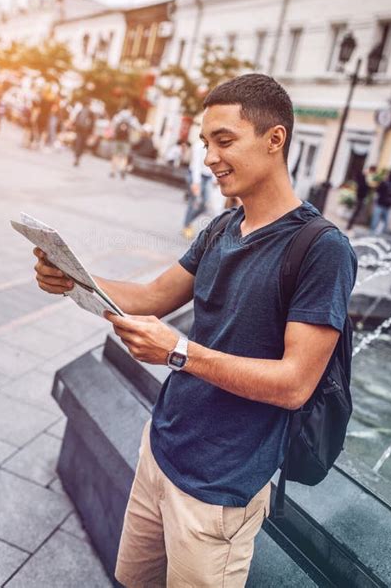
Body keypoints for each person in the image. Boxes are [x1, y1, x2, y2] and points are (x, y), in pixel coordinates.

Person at [33, 73, 357, 587]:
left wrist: (180, 352)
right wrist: (74, 276)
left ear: (276, 139)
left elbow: (296, 383)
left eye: (224, 140)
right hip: (160, 450)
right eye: (205, 142)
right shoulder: (222, 227)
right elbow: (153, 297)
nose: (209, 157)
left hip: (220, 492)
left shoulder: (323, 249)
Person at [182, 137, 214, 240]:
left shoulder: (214, 145)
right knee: (194, 202)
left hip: (208, 178)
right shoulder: (198, 145)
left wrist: (214, 179)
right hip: (196, 176)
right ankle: (187, 226)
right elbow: (196, 165)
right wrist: (196, 183)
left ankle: (188, 222)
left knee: (205, 205)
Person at [110, 107, 139, 179]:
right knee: (124, 157)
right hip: (126, 141)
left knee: (115, 156)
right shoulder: (132, 118)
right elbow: (138, 128)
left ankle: (113, 171)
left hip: (118, 140)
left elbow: (112, 124)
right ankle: (122, 169)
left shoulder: (118, 116)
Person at [369, 169, 391, 234]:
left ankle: (372, 232)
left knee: (376, 219)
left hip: (381, 203)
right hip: (386, 205)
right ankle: (379, 233)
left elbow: (378, 192)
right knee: (384, 221)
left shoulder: (385, 183)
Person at [72, 99, 95, 166]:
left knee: (78, 143)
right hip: (86, 131)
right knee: (82, 145)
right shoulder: (91, 113)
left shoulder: (81, 110)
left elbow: (76, 120)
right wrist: (91, 133)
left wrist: (75, 127)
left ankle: (76, 157)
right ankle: (78, 158)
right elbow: (93, 123)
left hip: (79, 130)